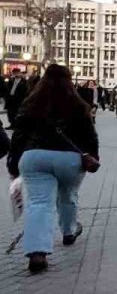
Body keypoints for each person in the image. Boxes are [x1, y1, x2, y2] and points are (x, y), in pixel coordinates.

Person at [6, 64, 99, 274]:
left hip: (34, 157)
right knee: (68, 195)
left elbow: (19, 135)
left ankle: (37, 253)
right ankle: (69, 231)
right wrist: (93, 156)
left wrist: (13, 162)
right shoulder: (78, 104)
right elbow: (91, 136)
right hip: (69, 159)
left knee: (39, 203)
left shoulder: (31, 103)